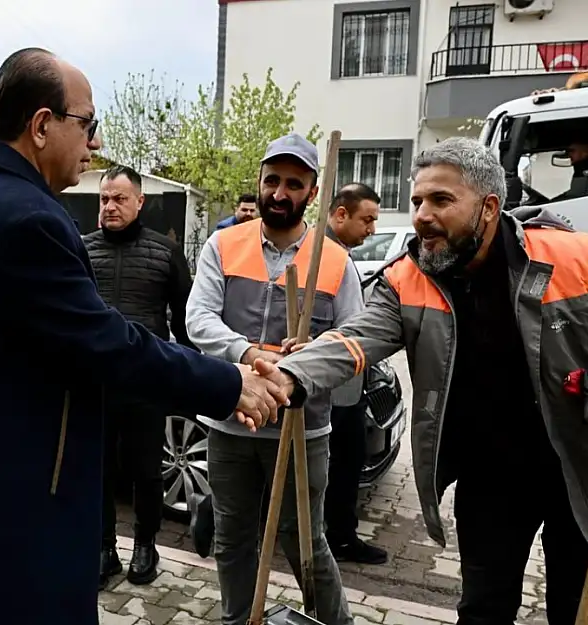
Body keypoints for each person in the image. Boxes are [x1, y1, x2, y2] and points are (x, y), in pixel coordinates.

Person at [0, 47, 288, 625]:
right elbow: (102, 342)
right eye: (88, 124)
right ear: (42, 126)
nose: (95, 143)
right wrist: (229, 383)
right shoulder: (19, 216)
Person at [266, 136, 588, 625]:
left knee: (584, 611)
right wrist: (289, 375)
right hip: (491, 475)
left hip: (585, 465)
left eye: (441, 200)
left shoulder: (574, 258)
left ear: (488, 207)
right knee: (483, 610)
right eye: (417, 201)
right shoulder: (408, 278)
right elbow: (354, 341)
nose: (421, 215)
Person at [185, 133, 356, 625]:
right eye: (272, 181)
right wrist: (250, 353)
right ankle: (239, 618)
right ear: (259, 182)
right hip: (230, 420)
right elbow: (199, 319)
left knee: (304, 537)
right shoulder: (224, 244)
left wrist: (316, 354)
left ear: (313, 190)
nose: (280, 193)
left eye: (294, 184)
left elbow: (355, 339)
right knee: (232, 535)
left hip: (302, 428)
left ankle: (335, 621)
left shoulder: (335, 259)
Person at [84, 164, 196, 588]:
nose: (110, 206)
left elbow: (187, 322)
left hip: (146, 380)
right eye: (104, 199)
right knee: (97, 470)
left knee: (147, 470)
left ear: (139, 202)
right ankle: (103, 548)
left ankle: (146, 546)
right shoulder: (83, 249)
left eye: (119, 199)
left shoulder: (165, 253)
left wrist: (189, 371)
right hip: (94, 380)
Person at [323, 183, 387, 565]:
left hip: (346, 385)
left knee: (348, 463)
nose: (372, 229)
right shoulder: (325, 255)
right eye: (367, 219)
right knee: (340, 465)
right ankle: (338, 539)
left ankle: (341, 534)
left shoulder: (339, 256)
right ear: (340, 214)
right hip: (331, 388)